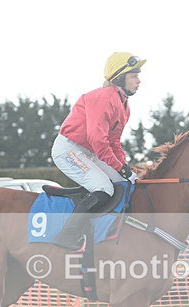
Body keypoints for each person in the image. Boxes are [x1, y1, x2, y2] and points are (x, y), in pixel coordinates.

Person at [51, 52, 146, 249]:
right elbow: (98, 141)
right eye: (134, 76)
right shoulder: (103, 98)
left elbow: (114, 143)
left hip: (89, 152)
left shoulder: (124, 106)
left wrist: (125, 168)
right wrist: (121, 168)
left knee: (126, 183)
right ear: (120, 78)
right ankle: (67, 235)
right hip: (69, 150)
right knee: (104, 188)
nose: (139, 81)